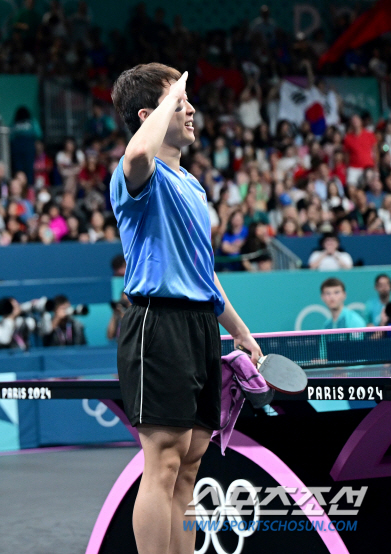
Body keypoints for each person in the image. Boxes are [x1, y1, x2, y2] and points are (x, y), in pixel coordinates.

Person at [110, 63, 261, 554]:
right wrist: (169, 93)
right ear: (148, 115)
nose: (192, 109)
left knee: (192, 463)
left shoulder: (192, 185)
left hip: (199, 326)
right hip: (158, 322)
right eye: (180, 102)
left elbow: (205, 272)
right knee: (164, 461)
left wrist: (238, 330)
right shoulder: (139, 173)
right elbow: (136, 150)